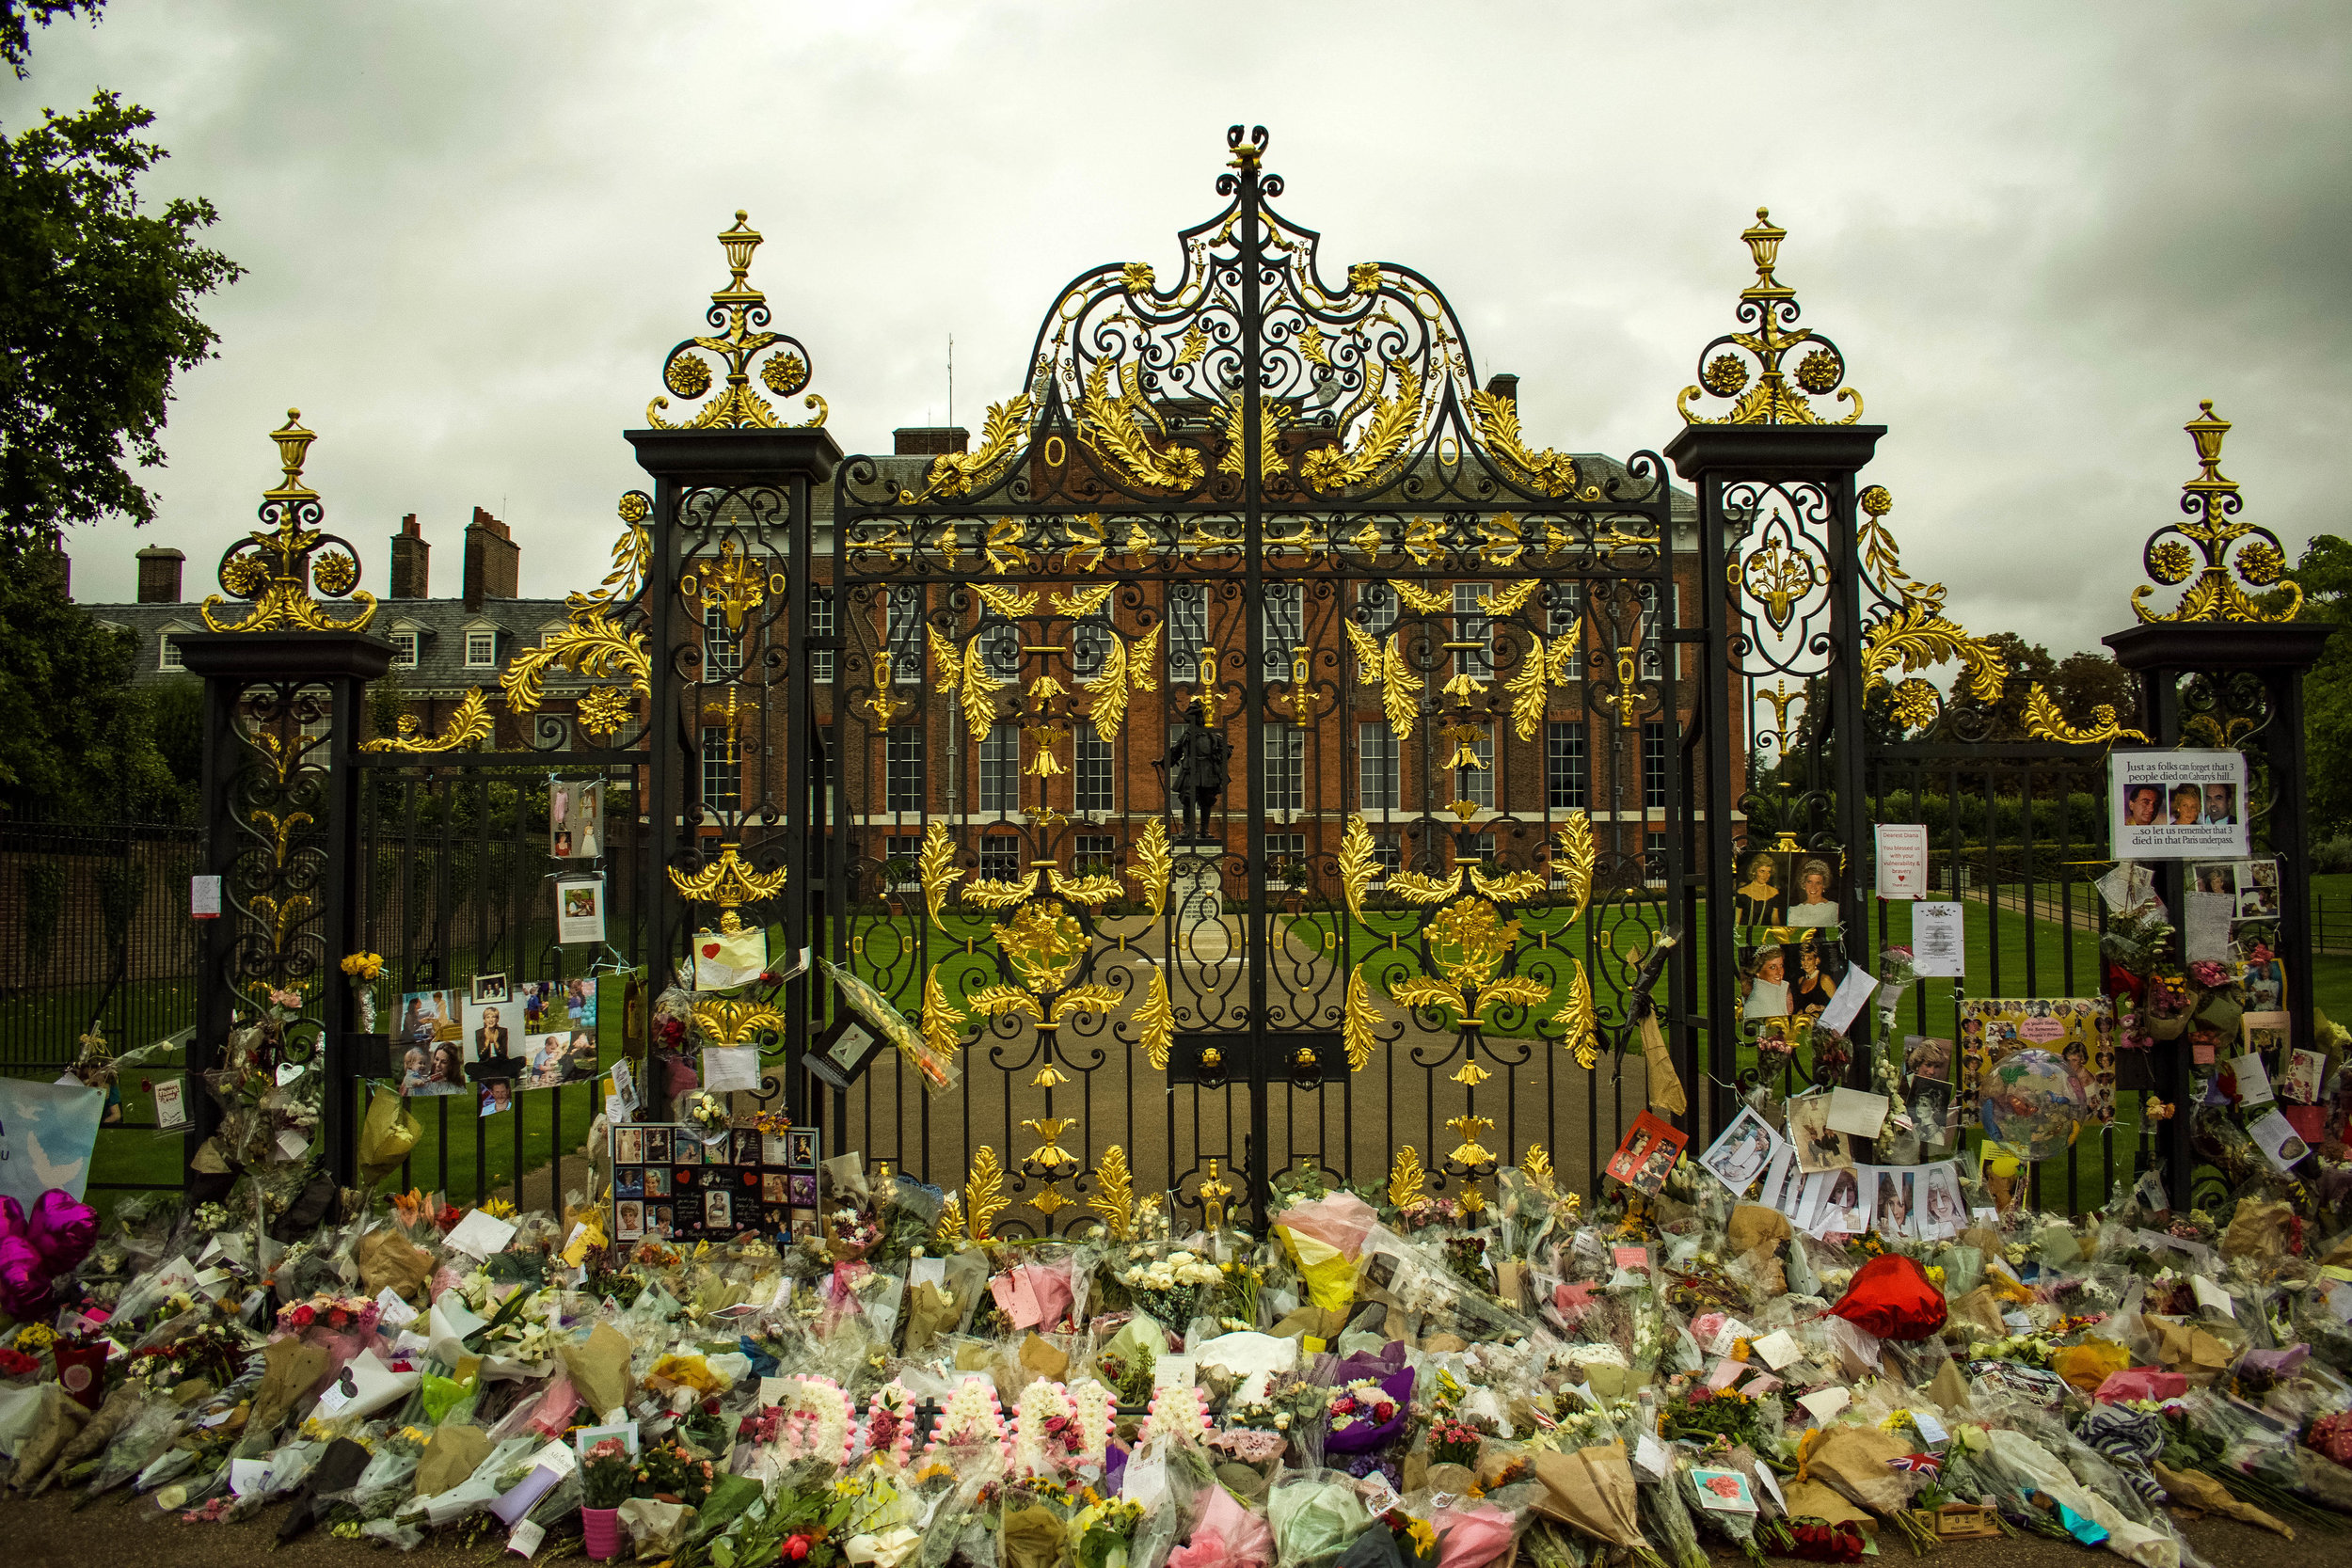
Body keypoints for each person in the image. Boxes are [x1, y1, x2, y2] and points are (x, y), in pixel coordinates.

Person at [1159, 700, 1230, 840]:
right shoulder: (1187, 736)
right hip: (1191, 770)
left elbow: (1226, 750)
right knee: (1188, 799)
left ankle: (1204, 830)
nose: (1194, 720)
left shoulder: (1211, 735)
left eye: (1196, 716)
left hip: (1208, 770)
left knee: (1207, 800)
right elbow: (1176, 751)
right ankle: (1188, 829)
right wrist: (1163, 761)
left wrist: (1220, 755)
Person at [1733, 853, 1784, 926]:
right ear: (1754, 872)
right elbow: (1736, 920)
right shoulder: (1742, 892)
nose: (1765, 875)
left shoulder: (1774, 893)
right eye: (1762, 871)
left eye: (1768, 872)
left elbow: (1775, 918)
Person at [1789, 943, 1837, 1021]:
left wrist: (1820, 1008)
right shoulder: (1800, 980)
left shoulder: (1825, 979)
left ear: (1817, 960)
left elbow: (1839, 1006)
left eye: (1809, 959)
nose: (1805, 963)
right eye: (1803, 959)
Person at [1788, 859, 1838, 927]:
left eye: (1818, 883)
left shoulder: (1834, 908)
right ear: (1804, 884)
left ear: (1824, 885)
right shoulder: (1793, 911)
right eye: (1809, 882)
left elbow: (1835, 935)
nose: (1813, 887)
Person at [1743, 947, 1790, 1021]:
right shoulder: (1754, 1005)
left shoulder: (1782, 991)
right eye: (1772, 967)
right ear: (1757, 971)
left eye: (1781, 966)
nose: (1780, 972)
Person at [1876, 1171, 1908, 1240]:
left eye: (1900, 1204)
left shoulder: (1910, 1228)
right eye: (1890, 1204)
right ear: (1883, 1206)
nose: (1894, 1212)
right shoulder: (1875, 1232)